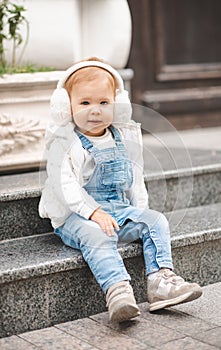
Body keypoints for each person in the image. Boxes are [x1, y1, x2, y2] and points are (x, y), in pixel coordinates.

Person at [39, 57, 202, 322]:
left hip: (116, 207)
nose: (95, 111)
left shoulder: (123, 136)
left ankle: (161, 283)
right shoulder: (64, 141)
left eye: (104, 102)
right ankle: (117, 291)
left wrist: (140, 213)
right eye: (85, 103)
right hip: (75, 214)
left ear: (119, 104)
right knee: (96, 233)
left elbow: (135, 179)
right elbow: (64, 186)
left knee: (156, 221)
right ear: (65, 106)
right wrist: (93, 212)